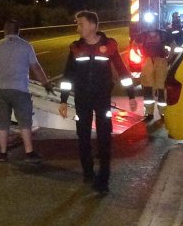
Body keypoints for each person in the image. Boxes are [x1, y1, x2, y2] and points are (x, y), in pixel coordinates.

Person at [58, 11, 136, 193]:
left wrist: (131, 95)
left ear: (93, 26)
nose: (78, 28)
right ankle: (88, 173)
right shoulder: (76, 48)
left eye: (81, 24)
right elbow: (67, 76)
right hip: (82, 99)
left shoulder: (109, 46)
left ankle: (104, 179)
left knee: (104, 137)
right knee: (83, 136)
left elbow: (123, 72)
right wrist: (63, 100)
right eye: (77, 24)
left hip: (102, 99)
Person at [0, 19, 54, 163]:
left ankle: (3, 154)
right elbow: (35, 67)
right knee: (24, 122)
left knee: (2, 123)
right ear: (19, 31)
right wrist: (46, 84)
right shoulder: (26, 46)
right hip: (20, 90)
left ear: (4, 30)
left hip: (0, 90)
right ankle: (29, 153)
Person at [133, 24, 172, 121]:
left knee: (162, 87)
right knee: (148, 88)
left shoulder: (163, 34)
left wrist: (168, 58)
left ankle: (163, 112)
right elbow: (134, 45)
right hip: (147, 62)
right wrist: (141, 54)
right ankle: (149, 113)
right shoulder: (142, 35)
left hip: (161, 61)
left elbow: (173, 45)